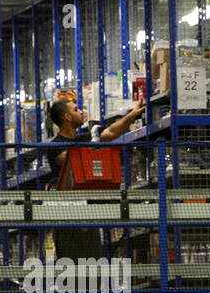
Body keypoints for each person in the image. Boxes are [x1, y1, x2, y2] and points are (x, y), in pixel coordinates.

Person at [45, 98, 145, 260]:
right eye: (76, 109)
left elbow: (111, 132)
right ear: (67, 117)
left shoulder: (85, 139)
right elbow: (70, 159)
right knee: (71, 266)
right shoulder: (55, 145)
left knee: (94, 263)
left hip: (87, 212)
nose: (81, 112)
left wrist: (132, 115)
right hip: (66, 216)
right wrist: (94, 142)